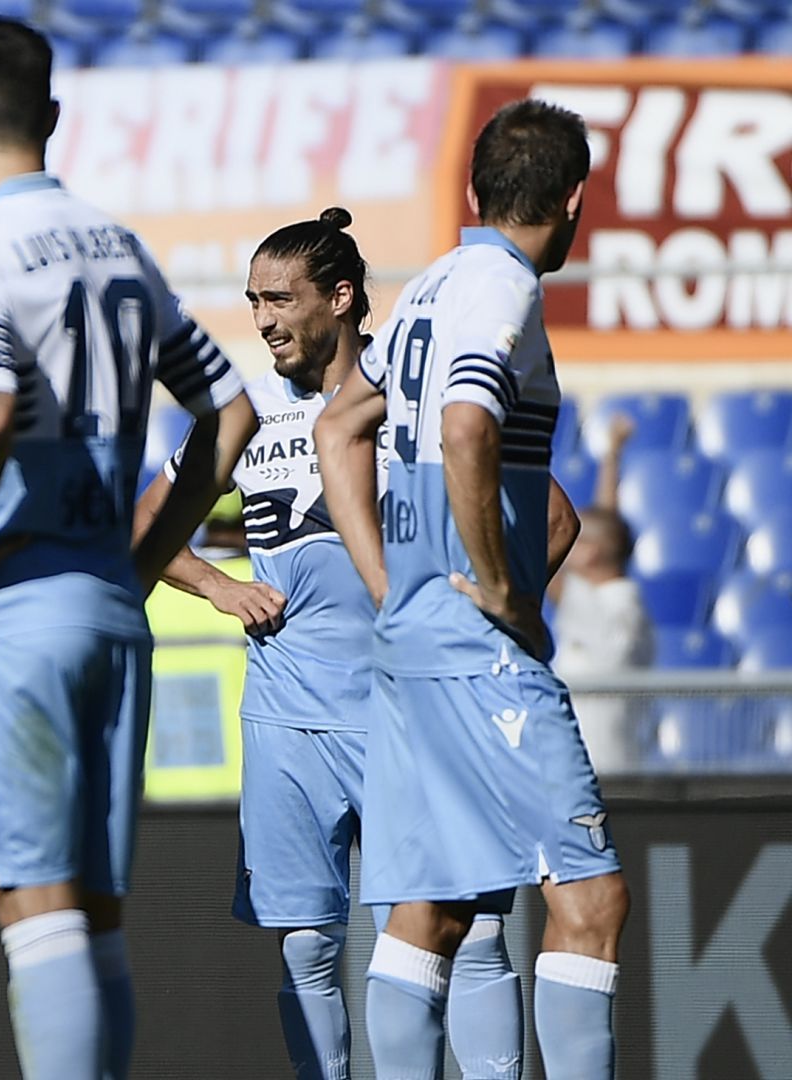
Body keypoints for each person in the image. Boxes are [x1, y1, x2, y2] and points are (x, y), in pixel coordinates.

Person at [140, 209, 587, 1080]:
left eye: (280, 299)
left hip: (412, 712)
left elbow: (556, 517)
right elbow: (146, 531)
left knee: (466, 928)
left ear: (341, 298)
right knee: (307, 942)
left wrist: (488, 613)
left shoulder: (411, 392)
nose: (263, 319)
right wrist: (221, 585)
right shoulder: (247, 413)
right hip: (288, 722)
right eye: (252, 301)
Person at [0, 19, 258, 1080]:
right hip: (115, 612)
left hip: (23, 604)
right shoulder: (118, 243)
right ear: (52, 117)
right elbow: (234, 413)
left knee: (36, 907)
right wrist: (152, 550)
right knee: (99, 917)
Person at [315, 100, 630, 1079]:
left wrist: (388, 585)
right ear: (575, 200)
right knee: (590, 903)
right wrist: (500, 584)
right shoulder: (502, 285)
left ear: (473, 189)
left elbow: (339, 431)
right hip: (479, 650)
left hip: (413, 645)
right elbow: (464, 427)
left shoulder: (430, 286)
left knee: (438, 908)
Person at [552, 415, 653, 775]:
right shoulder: (617, 596)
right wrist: (612, 457)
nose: (561, 544)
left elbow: (537, 567)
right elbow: (605, 525)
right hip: (603, 763)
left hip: (599, 769)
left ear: (592, 553)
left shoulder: (604, 610)